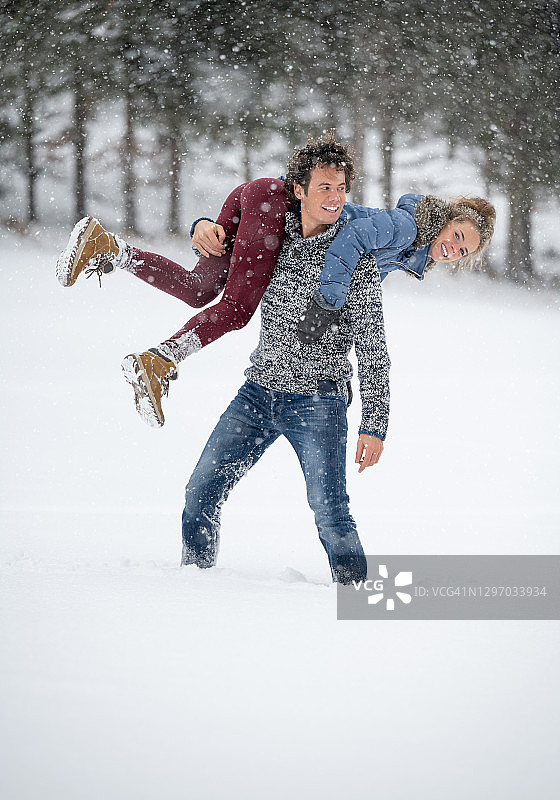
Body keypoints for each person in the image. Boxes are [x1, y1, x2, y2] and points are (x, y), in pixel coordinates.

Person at [56, 142, 495, 427]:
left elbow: (353, 261)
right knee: (236, 310)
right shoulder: (405, 228)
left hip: (260, 196)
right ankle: (159, 361)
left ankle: (109, 250)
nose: (455, 249)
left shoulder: (409, 248)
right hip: (271, 206)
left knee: (197, 290)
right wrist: (330, 298)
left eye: (464, 252)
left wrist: (210, 225)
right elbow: (351, 237)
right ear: (447, 221)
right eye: (457, 236)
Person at [180, 134, 386, 583]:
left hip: (319, 402)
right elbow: (220, 238)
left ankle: (355, 595)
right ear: (299, 190)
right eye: (325, 187)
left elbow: (373, 347)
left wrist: (375, 422)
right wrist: (200, 225)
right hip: (258, 392)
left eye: (341, 189)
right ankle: (192, 586)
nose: (334, 198)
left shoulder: (354, 256)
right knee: (200, 493)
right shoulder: (273, 235)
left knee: (331, 515)